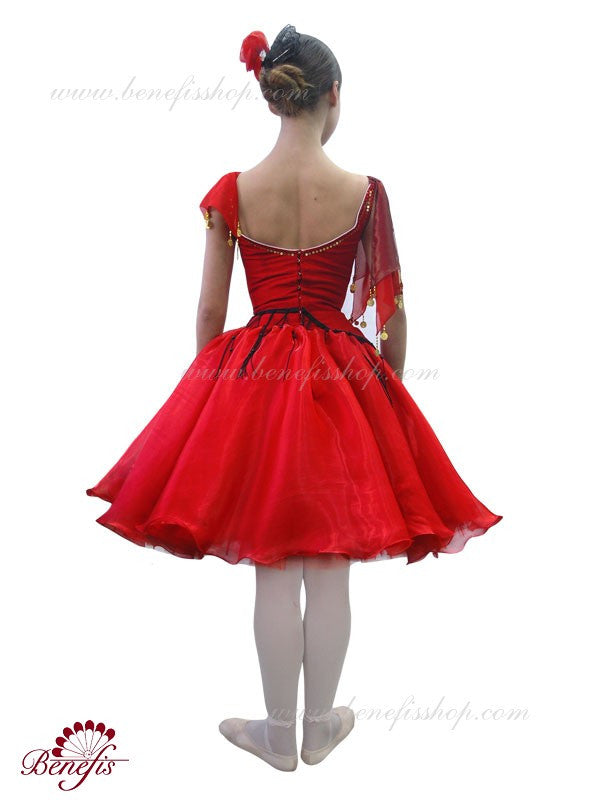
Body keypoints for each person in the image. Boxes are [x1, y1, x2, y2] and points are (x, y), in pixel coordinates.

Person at [85, 24, 503, 771]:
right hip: (344, 382)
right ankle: (319, 727)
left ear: (275, 96)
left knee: (274, 561)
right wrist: (388, 387)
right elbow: (390, 306)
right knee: (330, 560)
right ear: (333, 95)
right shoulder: (365, 193)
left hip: (254, 379)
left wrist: (213, 404)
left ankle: (278, 735)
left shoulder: (234, 192)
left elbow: (210, 313)